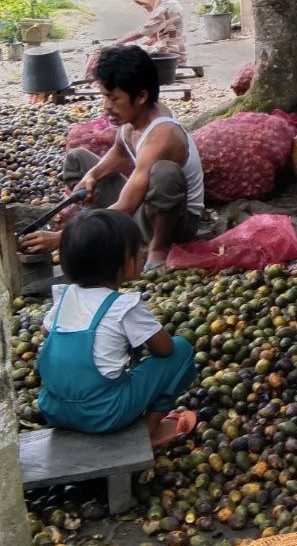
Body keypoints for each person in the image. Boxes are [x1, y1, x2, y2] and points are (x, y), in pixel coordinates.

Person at [21, 45, 205, 272]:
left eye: (114, 98)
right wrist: (92, 176)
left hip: (175, 222)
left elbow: (127, 206)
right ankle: (101, 226)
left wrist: (62, 238)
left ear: (141, 96)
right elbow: (119, 153)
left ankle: (156, 248)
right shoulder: (135, 117)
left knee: (164, 173)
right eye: (105, 96)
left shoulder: (163, 136)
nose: (107, 106)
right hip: (142, 209)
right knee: (77, 159)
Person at [37, 208, 197, 447]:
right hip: (105, 414)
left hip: (53, 410)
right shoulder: (124, 306)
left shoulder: (64, 298)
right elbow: (165, 349)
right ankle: (151, 430)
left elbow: (47, 334)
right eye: (137, 248)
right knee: (181, 350)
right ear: (122, 262)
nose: (143, 252)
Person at [81, 0, 187, 81]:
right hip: (174, 47)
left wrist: (116, 44)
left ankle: (90, 79)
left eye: (144, 4)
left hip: (169, 51)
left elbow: (140, 32)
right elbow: (160, 31)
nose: (144, 7)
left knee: (104, 50)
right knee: (131, 45)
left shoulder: (164, 10)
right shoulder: (172, 4)